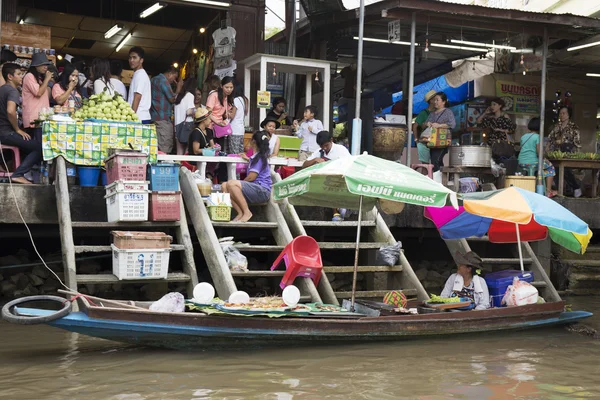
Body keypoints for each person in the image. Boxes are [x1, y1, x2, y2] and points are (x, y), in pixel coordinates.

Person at [0, 63, 42, 184]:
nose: (21, 77)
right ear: (10, 76)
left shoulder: (2, 89)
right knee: (39, 148)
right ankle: (18, 174)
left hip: (2, 133)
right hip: (7, 133)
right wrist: (17, 130)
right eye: (19, 74)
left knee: (27, 147)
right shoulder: (12, 91)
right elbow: (10, 111)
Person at [222, 131, 272, 222]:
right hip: (256, 189)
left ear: (253, 142)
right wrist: (248, 159)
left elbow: (251, 177)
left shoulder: (260, 158)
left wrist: (240, 184)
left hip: (262, 190)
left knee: (232, 184)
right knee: (224, 185)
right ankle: (240, 213)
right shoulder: (256, 158)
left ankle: (247, 212)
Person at [303, 130, 351, 222]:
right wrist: (315, 160)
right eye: (322, 146)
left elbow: (349, 165)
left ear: (331, 140)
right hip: (325, 182)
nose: (324, 148)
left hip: (340, 179)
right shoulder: (319, 152)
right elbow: (304, 165)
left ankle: (338, 211)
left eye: (326, 145)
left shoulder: (341, 150)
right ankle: (336, 212)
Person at [518, 117, 557, 198]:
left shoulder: (523, 137)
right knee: (550, 167)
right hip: (533, 162)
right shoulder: (537, 137)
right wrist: (544, 156)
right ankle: (548, 191)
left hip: (521, 161)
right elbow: (539, 153)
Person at [547, 106, 582, 197]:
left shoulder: (574, 127)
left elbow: (577, 143)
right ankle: (560, 190)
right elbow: (550, 139)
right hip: (556, 153)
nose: (562, 115)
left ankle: (576, 187)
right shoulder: (556, 126)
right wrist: (547, 149)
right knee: (556, 170)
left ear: (568, 114)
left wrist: (577, 154)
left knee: (566, 170)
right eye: (560, 113)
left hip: (568, 152)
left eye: (564, 113)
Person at [422, 92, 456, 172]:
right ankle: (441, 178)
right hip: (432, 142)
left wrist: (439, 125)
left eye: (437, 100)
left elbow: (452, 124)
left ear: (443, 102)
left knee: (436, 160)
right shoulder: (432, 114)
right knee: (436, 161)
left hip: (442, 141)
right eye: (434, 100)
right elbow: (423, 125)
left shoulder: (448, 112)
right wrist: (427, 124)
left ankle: (439, 179)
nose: (435, 102)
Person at [151, 66, 182, 154]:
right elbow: (172, 99)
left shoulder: (153, 80)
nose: (174, 81)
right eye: (174, 78)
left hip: (154, 117)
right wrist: (178, 88)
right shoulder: (163, 81)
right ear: (170, 74)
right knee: (164, 148)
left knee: (156, 147)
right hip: (163, 119)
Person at [22, 52, 53, 137]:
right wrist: (47, 79)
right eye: (43, 65)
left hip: (42, 118)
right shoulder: (29, 76)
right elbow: (38, 93)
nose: (46, 67)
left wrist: (48, 83)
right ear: (36, 65)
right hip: (33, 119)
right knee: (36, 145)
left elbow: (47, 97)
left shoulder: (39, 79)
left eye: (47, 65)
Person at [206, 76, 234, 153]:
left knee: (219, 151)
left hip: (219, 128)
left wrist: (226, 118)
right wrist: (217, 122)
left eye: (231, 87)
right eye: (227, 87)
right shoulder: (214, 95)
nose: (229, 90)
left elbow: (224, 114)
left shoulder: (227, 98)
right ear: (221, 86)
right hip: (210, 127)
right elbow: (207, 113)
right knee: (212, 151)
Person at [127, 46, 151, 124]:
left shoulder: (141, 75)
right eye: (130, 58)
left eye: (134, 58)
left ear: (141, 60)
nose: (131, 60)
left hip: (139, 117)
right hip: (139, 117)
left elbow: (137, 96)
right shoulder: (137, 74)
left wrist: (132, 117)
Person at [174, 77, 198, 155]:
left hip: (177, 124)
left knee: (179, 151)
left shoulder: (178, 96)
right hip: (187, 125)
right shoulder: (190, 95)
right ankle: (185, 166)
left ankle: (178, 166)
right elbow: (189, 111)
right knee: (187, 150)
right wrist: (196, 110)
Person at [413, 90, 437, 164]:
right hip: (424, 143)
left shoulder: (438, 112)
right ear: (431, 101)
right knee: (425, 165)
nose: (436, 101)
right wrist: (416, 140)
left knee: (435, 163)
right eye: (435, 99)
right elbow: (415, 126)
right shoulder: (424, 113)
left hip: (435, 142)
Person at [230, 83, 248, 154]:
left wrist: (227, 113)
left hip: (234, 129)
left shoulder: (236, 100)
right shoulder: (244, 99)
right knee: (240, 153)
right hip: (241, 129)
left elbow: (232, 116)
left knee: (234, 153)